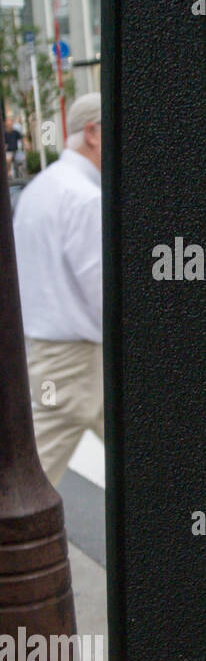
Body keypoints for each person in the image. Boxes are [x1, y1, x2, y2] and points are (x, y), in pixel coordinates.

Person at [14, 94, 104, 487]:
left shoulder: (40, 189)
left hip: (49, 351)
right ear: (93, 133)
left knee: (159, 449)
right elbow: (102, 290)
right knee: (30, 476)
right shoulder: (85, 199)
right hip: (79, 359)